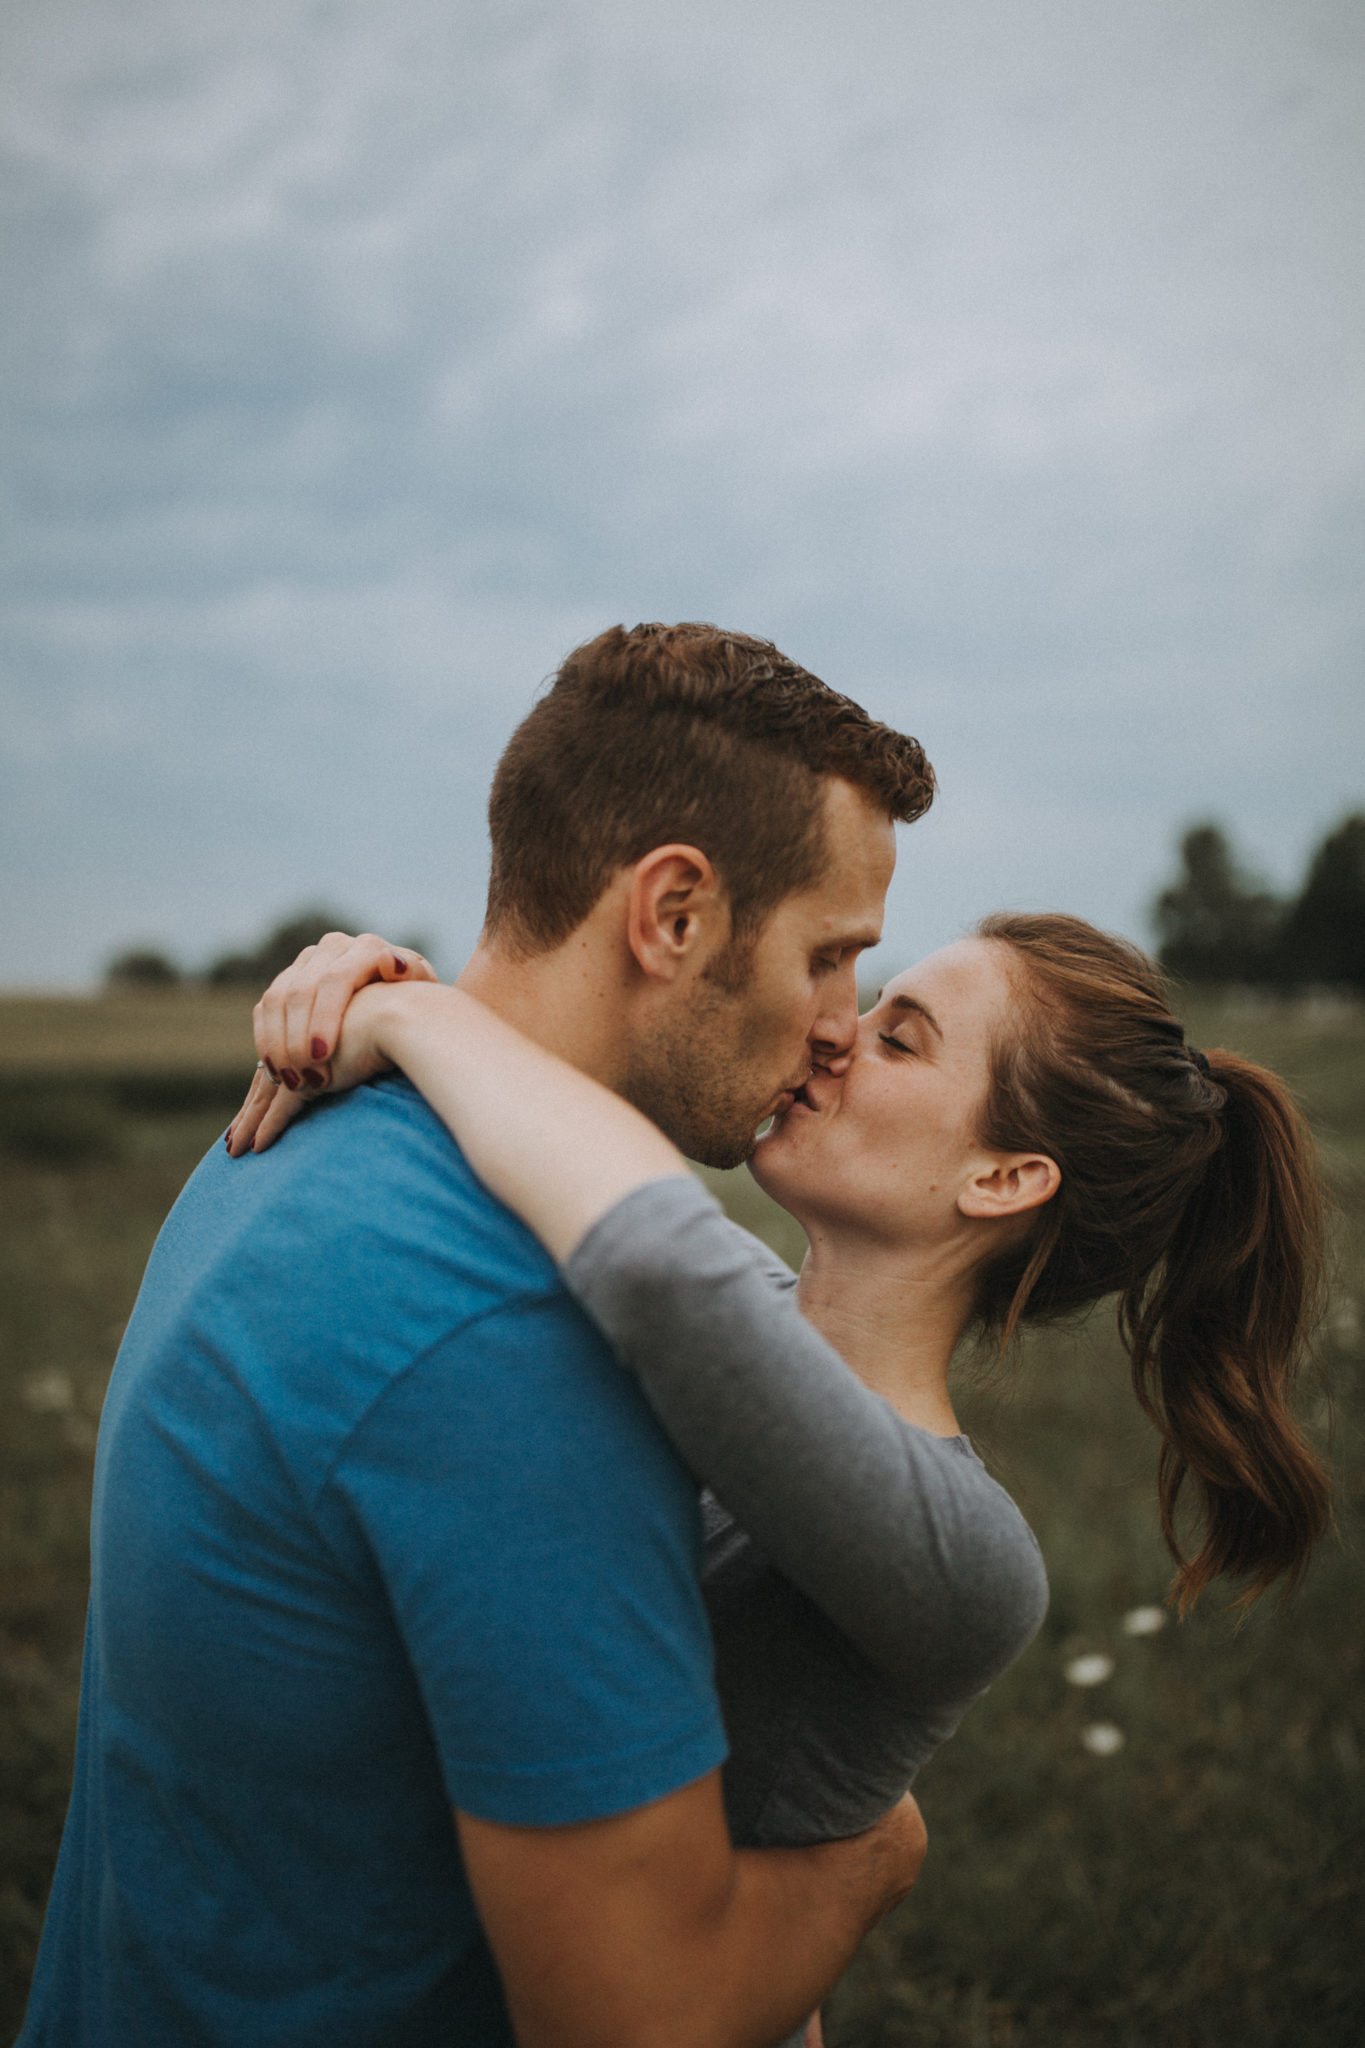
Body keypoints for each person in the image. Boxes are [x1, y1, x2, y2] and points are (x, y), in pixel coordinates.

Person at [19, 623, 941, 2048]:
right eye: (830, 956)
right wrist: (866, 1862)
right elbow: (638, 2024)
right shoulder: (519, 1337)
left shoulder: (293, 1130)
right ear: (674, 914)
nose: (840, 1024)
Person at [228, 904, 1332, 2047]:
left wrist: (416, 1013)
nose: (838, 1032)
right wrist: (358, 982)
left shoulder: (966, 1552)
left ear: (1003, 1177)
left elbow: (655, 1263)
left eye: (903, 1039)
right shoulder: (734, 1306)